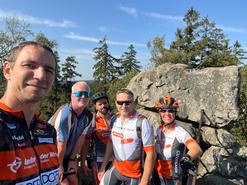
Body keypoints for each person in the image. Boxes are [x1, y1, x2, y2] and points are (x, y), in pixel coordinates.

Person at [0, 41, 59, 184]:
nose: (41, 75)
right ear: (8, 70)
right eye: (30, 65)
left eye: (49, 70)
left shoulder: (48, 131)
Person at [98, 89, 155, 185]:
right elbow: (111, 143)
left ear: (133, 103)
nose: (123, 106)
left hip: (134, 175)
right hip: (116, 170)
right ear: (116, 103)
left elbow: (151, 154)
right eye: (120, 102)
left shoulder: (142, 122)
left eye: (127, 103)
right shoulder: (114, 119)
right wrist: (103, 166)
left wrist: (145, 180)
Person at [49, 81, 93, 185]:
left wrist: (72, 159)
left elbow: (80, 140)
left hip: (66, 155)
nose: (83, 96)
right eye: (79, 94)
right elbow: (61, 143)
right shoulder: (65, 114)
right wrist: (59, 166)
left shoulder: (89, 116)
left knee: (74, 181)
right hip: (52, 156)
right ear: (71, 96)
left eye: (87, 94)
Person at [153, 96, 203, 185]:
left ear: (175, 113)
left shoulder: (180, 132)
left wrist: (186, 158)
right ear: (160, 112)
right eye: (163, 110)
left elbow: (196, 149)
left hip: (174, 179)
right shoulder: (159, 130)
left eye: (171, 111)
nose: (167, 114)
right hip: (157, 176)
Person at [81, 92, 113, 185]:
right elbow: (86, 143)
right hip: (98, 160)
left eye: (105, 103)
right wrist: (83, 163)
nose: (103, 105)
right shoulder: (92, 121)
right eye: (100, 104)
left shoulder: (115, 118)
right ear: (95, 106)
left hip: (115, 160)